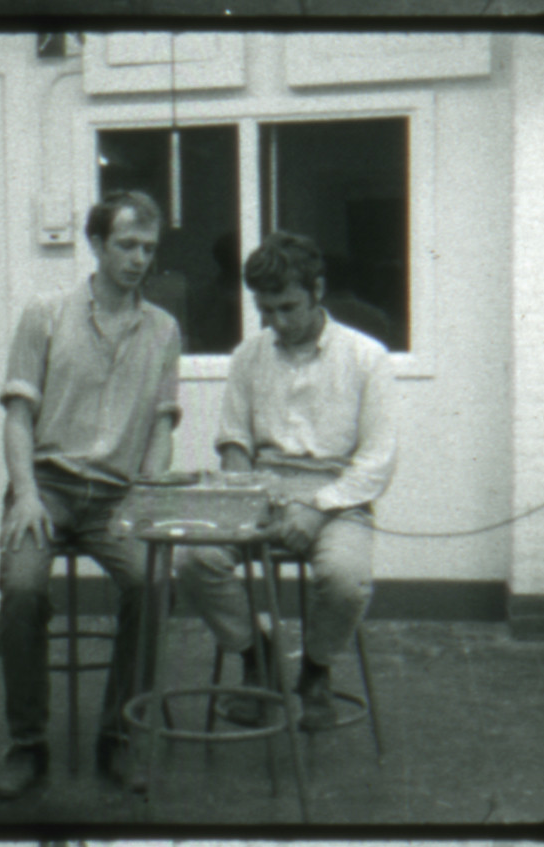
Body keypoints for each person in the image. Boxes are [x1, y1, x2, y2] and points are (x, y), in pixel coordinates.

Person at [0, 190, 182, 800]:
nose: (138, 259)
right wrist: (25, 495)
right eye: (126, 245)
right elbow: (18, 416)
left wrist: (146, 497)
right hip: (47, 485)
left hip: (118, 496)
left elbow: (161, 426)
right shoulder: (45, 314)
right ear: (97, 244)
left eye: (148, 248)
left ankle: (118, 735)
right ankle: (27, 743)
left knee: (153, 583)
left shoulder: (163, 330)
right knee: (23, 589)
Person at [175, 230, 397, 731]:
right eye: (266, 310)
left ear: (317, 290)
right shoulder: (248, 355)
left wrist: (316, 508)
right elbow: (234, 439)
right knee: (192, 560)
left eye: (288, 307)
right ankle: (257, 658)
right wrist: (242, 496)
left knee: (344, 579)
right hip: (260, 488)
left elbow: (377, 461)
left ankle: (315, 673)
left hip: (337, 496)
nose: (277, 321)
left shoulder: (366, 356)